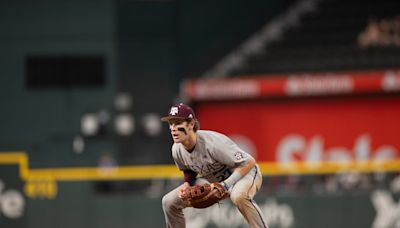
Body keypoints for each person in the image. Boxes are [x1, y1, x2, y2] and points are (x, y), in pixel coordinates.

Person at [161, 103, 268, 228]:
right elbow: (189, 170)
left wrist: (225, 185)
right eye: (171, 123)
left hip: (244, 174)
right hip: (215, 181)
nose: (173, 128)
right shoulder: (177, 149)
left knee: (238, 196)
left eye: (178, 123)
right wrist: (186, 184)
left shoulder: (213, 143)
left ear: (191, 124)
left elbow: (249, 162)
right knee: (169, 202)